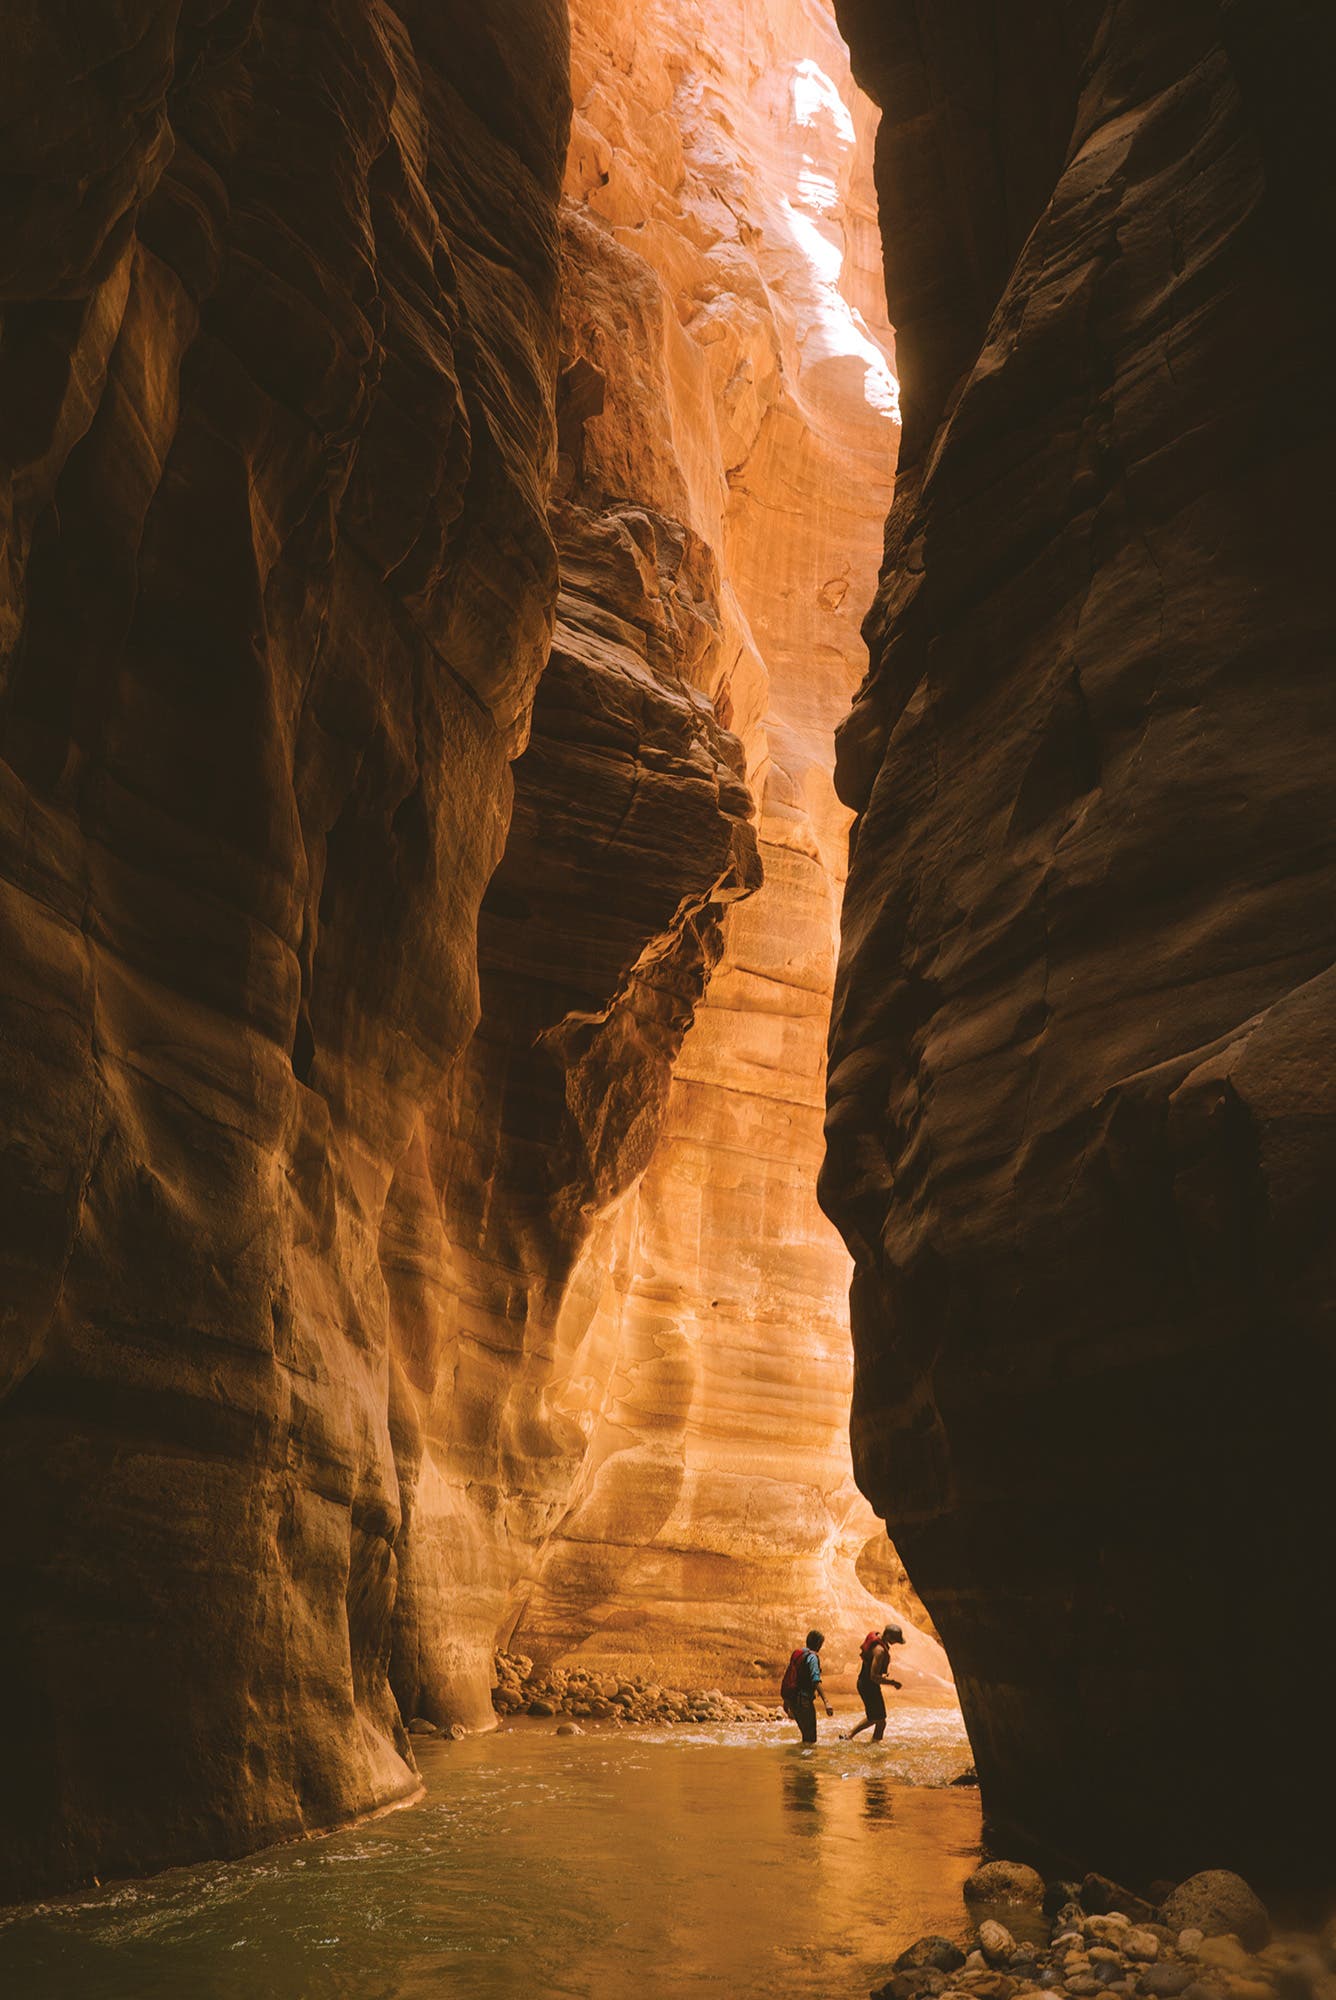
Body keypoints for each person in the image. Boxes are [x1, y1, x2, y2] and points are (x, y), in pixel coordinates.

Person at [842, 1622, 905, 1742]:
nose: (895, 1643)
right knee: (876, 1719)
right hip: (868, 1685)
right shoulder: (879, 1651)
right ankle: (849, 1736)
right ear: (887, 1636)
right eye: (895, 1640)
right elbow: (874, 1676)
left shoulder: (876, 1636)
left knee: (880, 1721)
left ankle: (874, 1744)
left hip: (866, 1683)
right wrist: (893, 1683)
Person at [789, 1629, 833, 1744]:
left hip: (793, 1700)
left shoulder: (798, 1654)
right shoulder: (812, 1658)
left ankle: (798, 1761)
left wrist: (787, 1702)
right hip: (804, 1701)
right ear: (818, 1644)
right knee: (811, 1739)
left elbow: (791, 1676)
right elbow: (815, 1680)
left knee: (805, 1736)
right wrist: (826, 1702)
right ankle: (807, 1761)